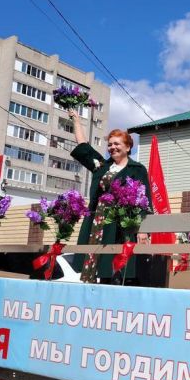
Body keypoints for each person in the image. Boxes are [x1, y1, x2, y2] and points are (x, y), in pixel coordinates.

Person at [68, 109, 151, 284]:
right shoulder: (102, 166)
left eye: (117, 144)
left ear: (128, 147)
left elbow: (145, 200)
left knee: (121, 272)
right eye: (110, 144)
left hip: (123, 227)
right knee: (101, 271)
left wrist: (143, 231)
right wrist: (76, 120)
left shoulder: (137, 169)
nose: (112, 147)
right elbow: (83, 146)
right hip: (97, 224)